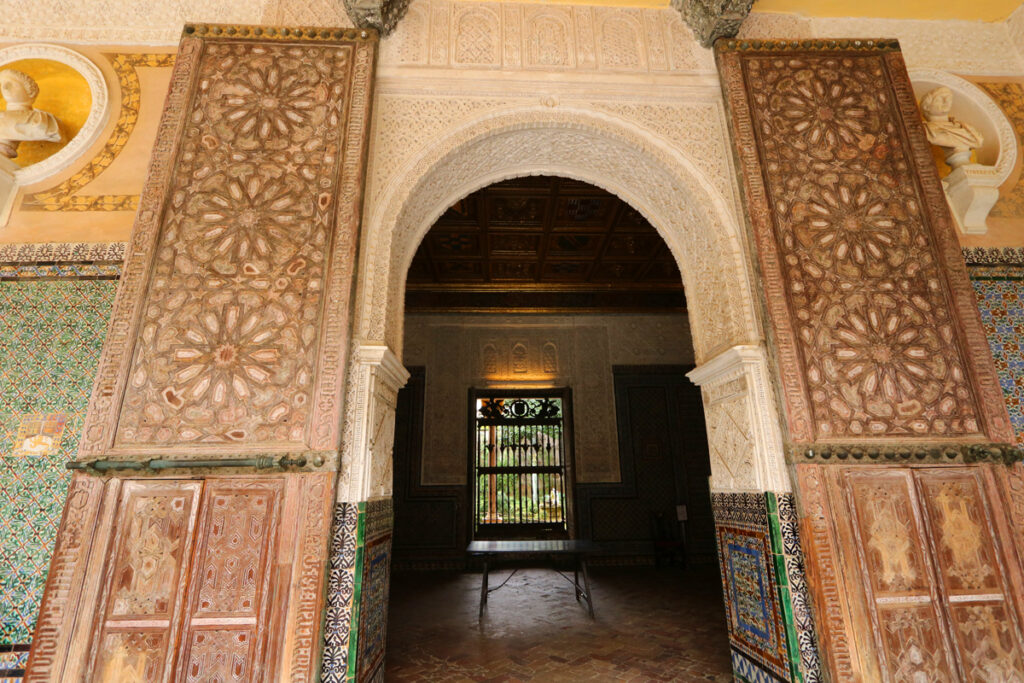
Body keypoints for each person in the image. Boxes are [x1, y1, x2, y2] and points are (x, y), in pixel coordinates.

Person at [0, 68, 61, 159]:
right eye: (3, 84)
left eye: (13, 84)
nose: (5, 88)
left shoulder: (43, 120)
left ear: (29, 91)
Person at [920, 86, 983, 168]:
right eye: (939, 99)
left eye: (949, 99)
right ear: (926, 107)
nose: (946, 101)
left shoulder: (965, 127)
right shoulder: (926, 130)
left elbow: (979, 141)